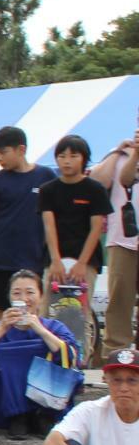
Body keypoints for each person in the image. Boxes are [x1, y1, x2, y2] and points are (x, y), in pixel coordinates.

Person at [0, 269, 81, 437]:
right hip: (5, 411)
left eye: (30, 292)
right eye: (17, 293)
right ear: (10, 298)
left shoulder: (54, 327)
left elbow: (72, 357)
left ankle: (42, 414)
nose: (24, 299)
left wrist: (41, 330)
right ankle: (18, 414)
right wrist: (1, 328)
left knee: (58, 349)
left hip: (48, 406)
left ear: (41, 297)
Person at [0, 125, 56, 314]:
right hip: (2, 260)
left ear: (21, 149)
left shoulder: (46, 176)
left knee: (34, 309)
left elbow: (54, 219)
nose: (0, 159)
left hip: (34, 258)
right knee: (6, 313)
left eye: (3, 152)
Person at [39, 133, 112, 300]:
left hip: (86, 259)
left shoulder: (95, 189)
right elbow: (49, 226)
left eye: (73, 156)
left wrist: (82, 263)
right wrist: (55, 261)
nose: (66, 161)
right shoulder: (48, 190)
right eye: (62, 156)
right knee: (48, 309)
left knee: (80, 312)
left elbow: (96, 229)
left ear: (83, 159)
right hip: (55, 257)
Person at [90, 133, 139, 356]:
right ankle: (115, 355)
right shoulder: (120, 153)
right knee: (119, 299)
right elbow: (100, 182)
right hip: (122, 238)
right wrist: (123, 152)